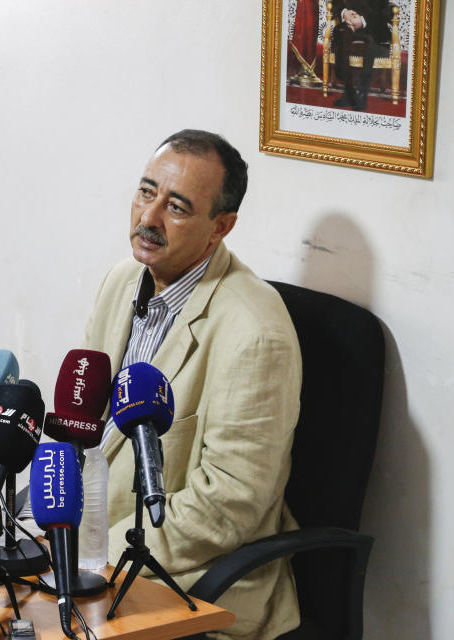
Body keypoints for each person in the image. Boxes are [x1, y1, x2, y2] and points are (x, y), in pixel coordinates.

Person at [83, 130, 302, 640]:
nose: (149, 218)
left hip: (194, 585)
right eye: (145, 191)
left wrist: (97, 553)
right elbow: (86, 427)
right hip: (94, 548)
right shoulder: (122, 279)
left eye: (177, 207)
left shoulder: (255, 333)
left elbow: (230, 503)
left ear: (220, 227)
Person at [331, 0, 394, 111]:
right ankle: (348, 91)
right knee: (341, 35)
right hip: (349, 26)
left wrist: (362, 20)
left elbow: (382, 9)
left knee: (370, 47)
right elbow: (336, 2)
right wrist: (344, 13)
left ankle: (362, 94)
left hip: (374, 29)